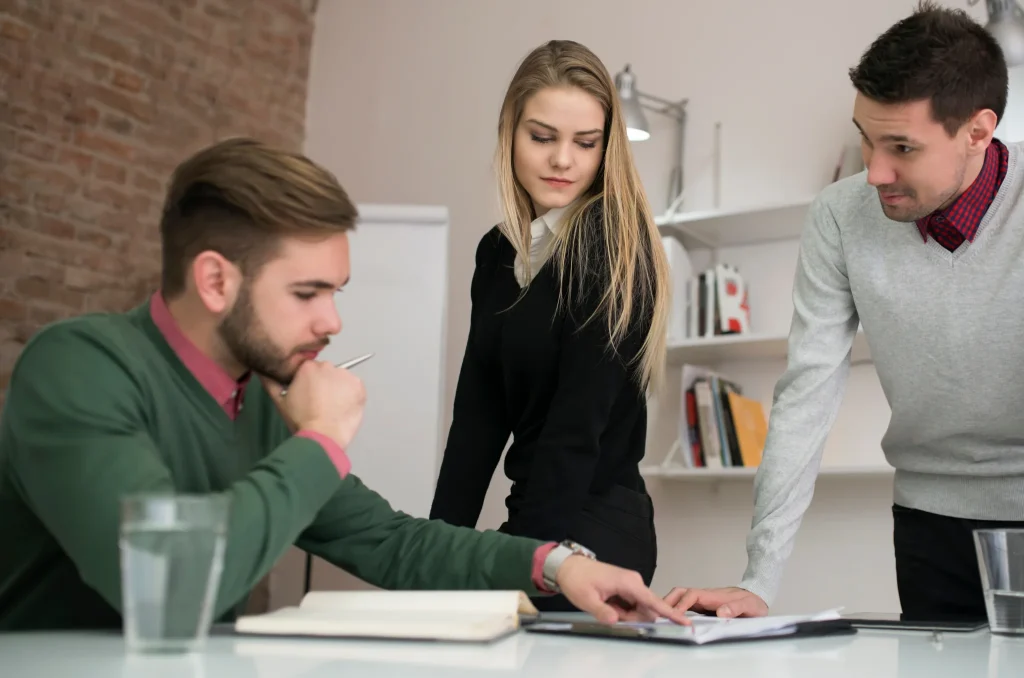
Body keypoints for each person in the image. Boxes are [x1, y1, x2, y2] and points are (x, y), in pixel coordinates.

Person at [0, 137, 690, 631]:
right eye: (306, 293)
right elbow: (173, 590)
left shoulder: (256, 403)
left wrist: (557, 564)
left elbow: (392, 542)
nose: (332, 321)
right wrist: (322, 438)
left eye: (336, 291)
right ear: (215, 280)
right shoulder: (79, 367)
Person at [664, 1, 1024, 622]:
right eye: (865, 137)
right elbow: (808, 392)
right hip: (929, 521)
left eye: (901, 147)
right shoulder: (839, 216)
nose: (873, 170)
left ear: (977, 131)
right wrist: (760, 578)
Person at [428, 39, 671, 612]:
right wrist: (436, 552)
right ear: (509, 133)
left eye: (586, 143)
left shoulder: (614, 251)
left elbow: (574, 435)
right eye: (542, 137)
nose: (563, 160)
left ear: (606, 148)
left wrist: (537, 562)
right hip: (536, 516)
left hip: (599, 529)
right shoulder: (497, 254)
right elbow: (476, 420)